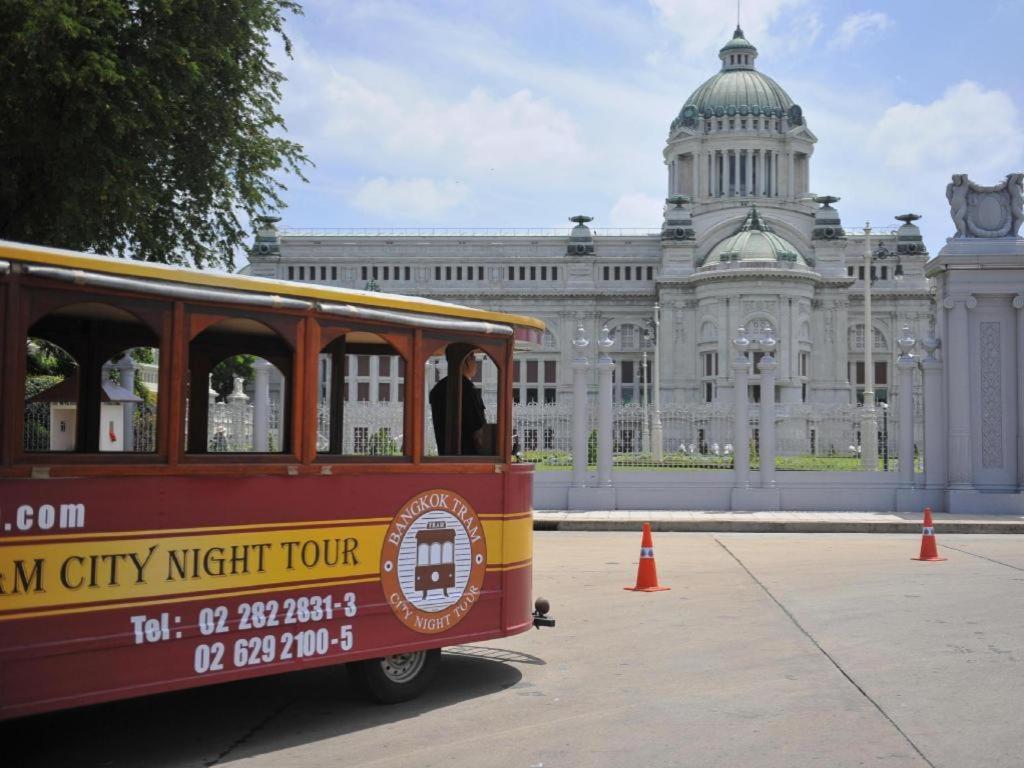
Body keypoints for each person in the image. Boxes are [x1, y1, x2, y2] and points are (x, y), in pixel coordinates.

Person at [429, 353, 487, 455]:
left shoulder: (438, 388)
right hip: (469, 459)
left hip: (444, 456)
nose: (476, 363)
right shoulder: (468, 389)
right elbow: (478, 433)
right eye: (473, 358)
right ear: (466, 361)